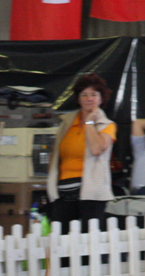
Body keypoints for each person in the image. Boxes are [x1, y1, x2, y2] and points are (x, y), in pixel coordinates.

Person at [47, 72, 117, 234]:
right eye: (84, 94)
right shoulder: (66, 122)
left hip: (91, 193)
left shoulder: (107, 125)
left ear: (101, 99)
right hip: (63, 192)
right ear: (78, 98)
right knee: (61, 241)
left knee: (90, 243)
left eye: (94, 94)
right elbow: (55, 157)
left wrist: (90, 122)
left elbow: (96, 149)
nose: (89, 98)